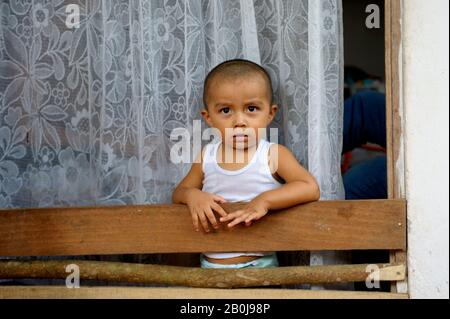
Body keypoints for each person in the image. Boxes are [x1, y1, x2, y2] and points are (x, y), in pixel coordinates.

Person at [172, 59, 320, 269]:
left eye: (251, 108)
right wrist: (192, 195)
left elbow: (310, 188)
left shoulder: (272, 154)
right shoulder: (207, 156)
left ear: (270, 113)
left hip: (260, 266)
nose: (239, 121)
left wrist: (264, 201)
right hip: (210, 268)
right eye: (225, 111)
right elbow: (180, 191)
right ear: (209, 118)